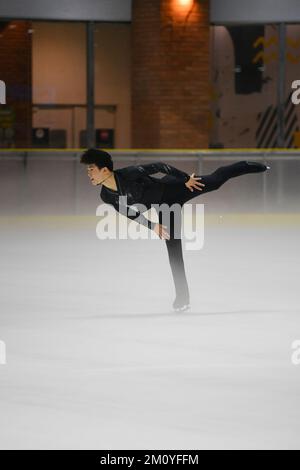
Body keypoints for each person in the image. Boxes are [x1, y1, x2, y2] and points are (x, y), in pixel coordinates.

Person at [80, 148, 270, 312]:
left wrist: (186, 179)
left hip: (176, 188)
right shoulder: (106, 195)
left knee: (215, 180)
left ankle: (250, 165)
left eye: (91, 169)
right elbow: (127, 212)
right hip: (165, 209)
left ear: (104, 170)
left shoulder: (128, 174)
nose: (88, 174)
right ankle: (182, 298)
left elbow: (161, 166)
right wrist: (152, 225)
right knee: (174, 252)